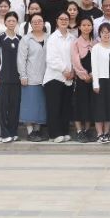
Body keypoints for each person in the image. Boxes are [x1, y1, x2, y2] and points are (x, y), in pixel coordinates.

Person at [44, 13, 76, 142]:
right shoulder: (52, 38)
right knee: (54, 107)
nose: (64, 21)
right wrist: (64, 70)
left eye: (66, 19)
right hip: (54, 77)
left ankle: (64, 131)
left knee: (65, 106)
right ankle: (54, 134)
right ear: (56, 21)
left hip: (69, 78)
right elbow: (51, 58)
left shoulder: (72, 38)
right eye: (61, 19)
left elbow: (74, 57)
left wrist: (72, 71)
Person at [19, 13, 50, 141]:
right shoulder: (26, 39)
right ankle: (30, 131)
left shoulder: (49, 38)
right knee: (29, 105)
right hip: (30, 77)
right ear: (30, 24)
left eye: (40, 21)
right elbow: (21, 59)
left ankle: (37, 131)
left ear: (44, 23)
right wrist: (23, 75)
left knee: (40, 106)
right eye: (34, 22)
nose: (37, 23)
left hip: (46, 77)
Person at [0, 12, 24, 143]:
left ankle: (13, 132)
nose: (11, 23)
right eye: (9, 21)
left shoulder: (20, 39)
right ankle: (2, 134)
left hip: (16, 78)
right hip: (3, 77)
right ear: (5, 22)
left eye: (14, 21)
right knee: (2, 106)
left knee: (14, 106)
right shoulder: (0, 37)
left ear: (17, 22)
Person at [69, 16, 97, 142]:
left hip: (93, 78)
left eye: (89, 25)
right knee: (79, 104)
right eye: (84, 25)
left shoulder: (95, 43)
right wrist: (85, 75)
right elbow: (75, 61)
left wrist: (92, 75)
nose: (86, 27)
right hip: (81, 79)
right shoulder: (75, 43)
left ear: (92, 27)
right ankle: (79, 131)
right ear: (79, 27)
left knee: (90, 104)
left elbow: (98, 61)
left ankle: (87, 130)